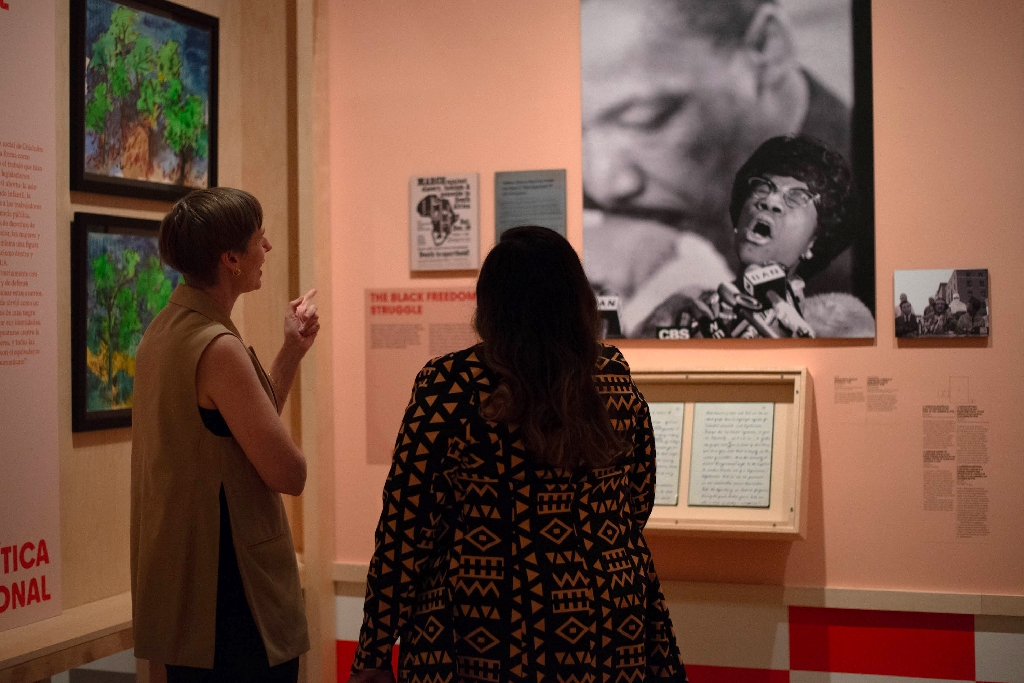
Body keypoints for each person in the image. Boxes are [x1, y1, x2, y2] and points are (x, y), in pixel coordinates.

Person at [349, 226, 687, 683]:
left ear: (490, 304)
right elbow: (637, 502)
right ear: (577, 298)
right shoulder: (611, 380)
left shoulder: (452, 385)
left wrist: (372, 649)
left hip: (484, 622)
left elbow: (406, 525)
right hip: (607, 621)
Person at [581, 0, 861, 336]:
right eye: (574, 132)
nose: (603, 184)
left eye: (644, 119)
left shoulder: (864, 233)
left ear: (765, 49)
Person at [131, 188, 319, 682]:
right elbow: (287, 471)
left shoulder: (162, 332)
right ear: (231, 259)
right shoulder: (217, 346)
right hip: (233, 604)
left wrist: (291, 351)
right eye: (261, 239)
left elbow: (237, 432)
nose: (269, 249)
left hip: (186, 596)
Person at [639, 135, 873, 338]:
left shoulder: (838, 326)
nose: (770, 201)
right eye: (763, 187)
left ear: (814, 241)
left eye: (797, 197)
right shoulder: (682, 310)